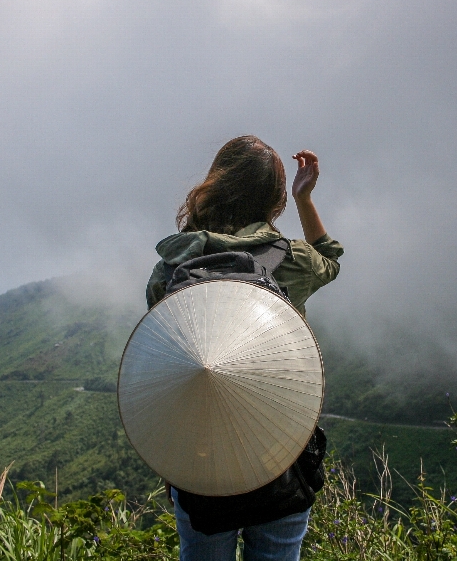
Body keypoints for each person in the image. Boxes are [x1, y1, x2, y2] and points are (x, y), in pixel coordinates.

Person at [145, 135, 343, 561]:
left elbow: (167, 363)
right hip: (281, 452)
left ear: (214, 184)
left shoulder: (172, 268)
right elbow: (330, 257)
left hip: (201, 460)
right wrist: (305, 198)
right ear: (273, 201)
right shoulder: (294, 261)